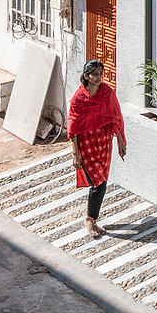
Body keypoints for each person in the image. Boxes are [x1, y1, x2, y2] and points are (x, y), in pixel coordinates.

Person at [67, 59, 126, 237]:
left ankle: (92, 219)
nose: (99, 77)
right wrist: (75, 154)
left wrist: (120, 141)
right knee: (98, 183)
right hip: (86, 145)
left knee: (103, 182)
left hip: (104, 143)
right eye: (95, 74)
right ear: (86, 76)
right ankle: (89, 220)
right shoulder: (79, 98)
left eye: (101, 74)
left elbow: (114, 116)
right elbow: (73, 127)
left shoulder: (107, 92)